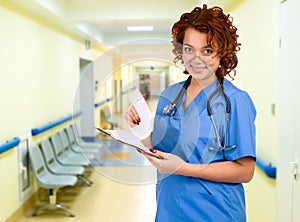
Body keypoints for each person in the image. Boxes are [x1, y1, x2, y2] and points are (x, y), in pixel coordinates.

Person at [126, 4, 256, 222]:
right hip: (169, 208)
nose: (196, 59)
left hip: (215, 212)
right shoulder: (170, 95)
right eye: (188, 49)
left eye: (207, 50)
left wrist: (183, 168)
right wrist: (141, 131)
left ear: (222, 52)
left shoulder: (235, 101)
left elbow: (245, 171)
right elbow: (159, 146)